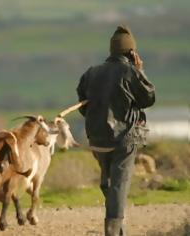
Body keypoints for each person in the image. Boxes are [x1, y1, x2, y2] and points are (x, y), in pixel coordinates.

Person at [76, 25, 155, 236]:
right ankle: (112, 231)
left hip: (97, 138)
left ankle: (118, 230)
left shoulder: (91, 73)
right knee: (119, 183)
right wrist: (140, 71)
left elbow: (84, 105)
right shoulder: (130, 71)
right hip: (125, 138)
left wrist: (97, 123)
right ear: (131, 52)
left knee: (109, 182)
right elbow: (148, 99)